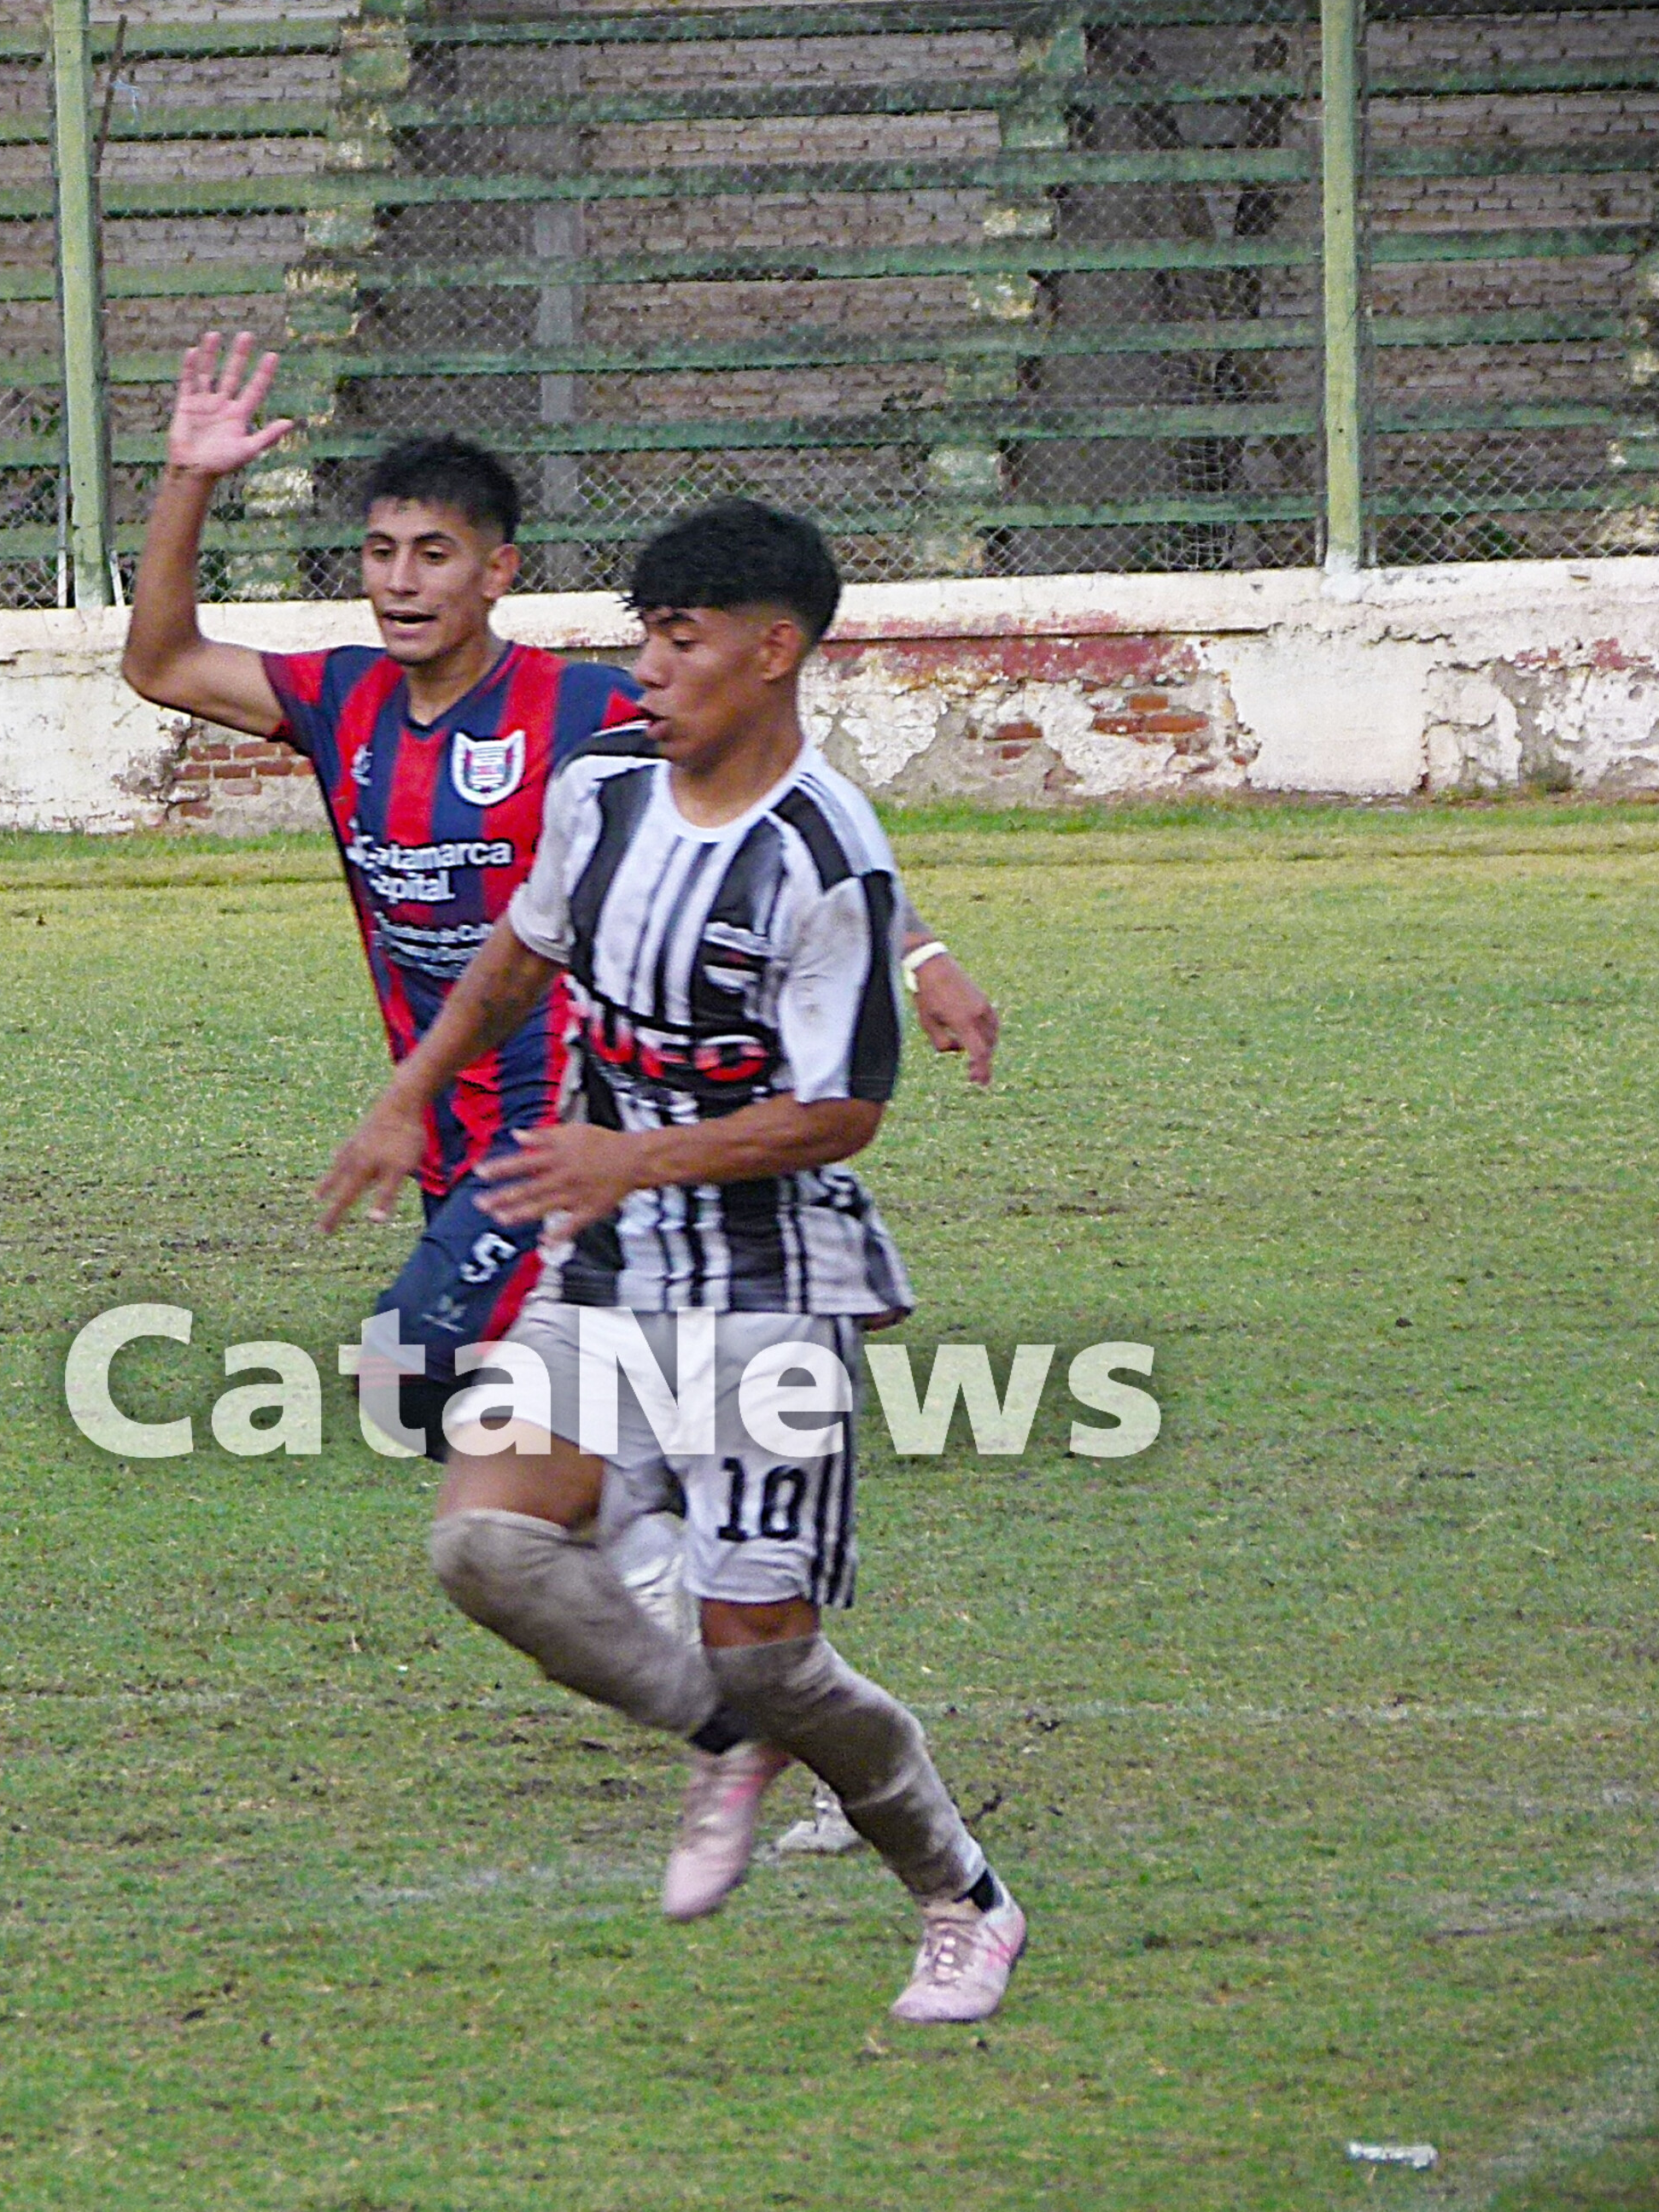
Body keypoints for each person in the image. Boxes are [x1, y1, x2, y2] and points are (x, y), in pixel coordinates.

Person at [315, 497, 1028, 2026]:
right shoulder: (607, 791)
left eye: (680, 640)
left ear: (772, 655)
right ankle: (719, 1741)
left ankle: (960, 1895)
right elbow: (519, 957)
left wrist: (625, 1152)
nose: (645, 667)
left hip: (771, 1292)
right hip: (612, 1264)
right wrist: (407, 1093)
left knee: (775, 1657)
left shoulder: (825, 857)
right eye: (642, 635)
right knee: (483, 1545)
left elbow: (844, 1108)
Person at [121, 330, 1001, 1469]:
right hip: (443, 1112)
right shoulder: (338, 697)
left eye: (434, 553)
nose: (401, 578)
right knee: (490, 1392)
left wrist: (920, 951)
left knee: (415, 1383)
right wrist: (191, 478)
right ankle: (749, 1362)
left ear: (496, 574)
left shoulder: (580, 710)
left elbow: (783, 800)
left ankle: (748, 1380)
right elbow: (161, 663)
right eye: (382, 551)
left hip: (561, 1118)